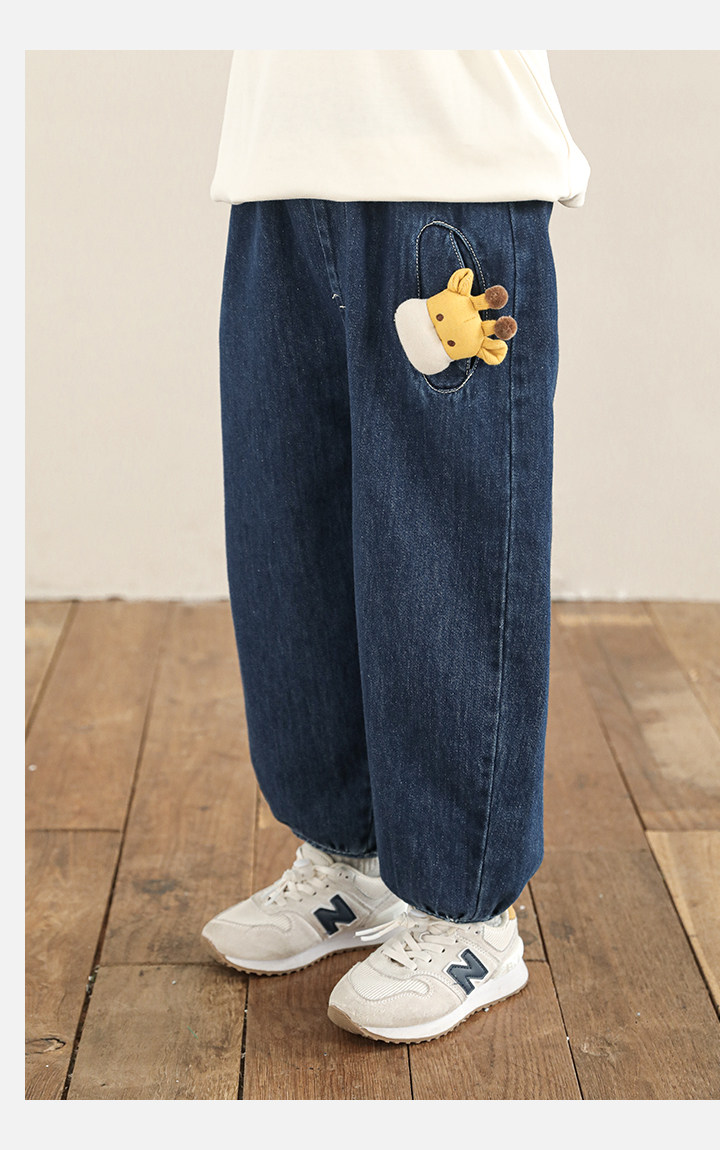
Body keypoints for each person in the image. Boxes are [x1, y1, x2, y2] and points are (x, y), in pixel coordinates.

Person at [202, 49, 589, 1045]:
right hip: (278, 165)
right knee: (287, 534)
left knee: (444, 553)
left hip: (450, 164)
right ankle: (349, 860)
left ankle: (469, 916)